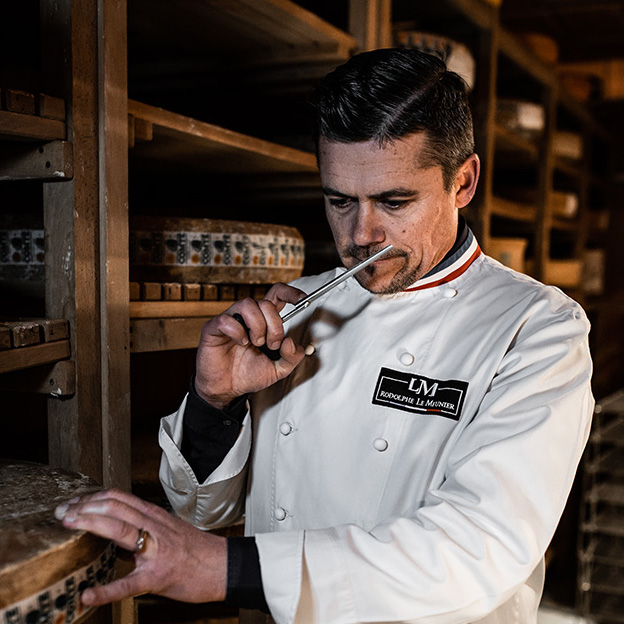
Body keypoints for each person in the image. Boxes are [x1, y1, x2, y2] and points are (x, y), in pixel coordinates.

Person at [55, 48, 594, 623]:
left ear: (463, 182)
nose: (361, 235)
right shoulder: (300, 304)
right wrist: (216, 404)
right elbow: (203, 514)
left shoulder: (537, 329)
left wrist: (221, 570)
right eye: (339, 201)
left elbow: (479, 548)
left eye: (393, 201)